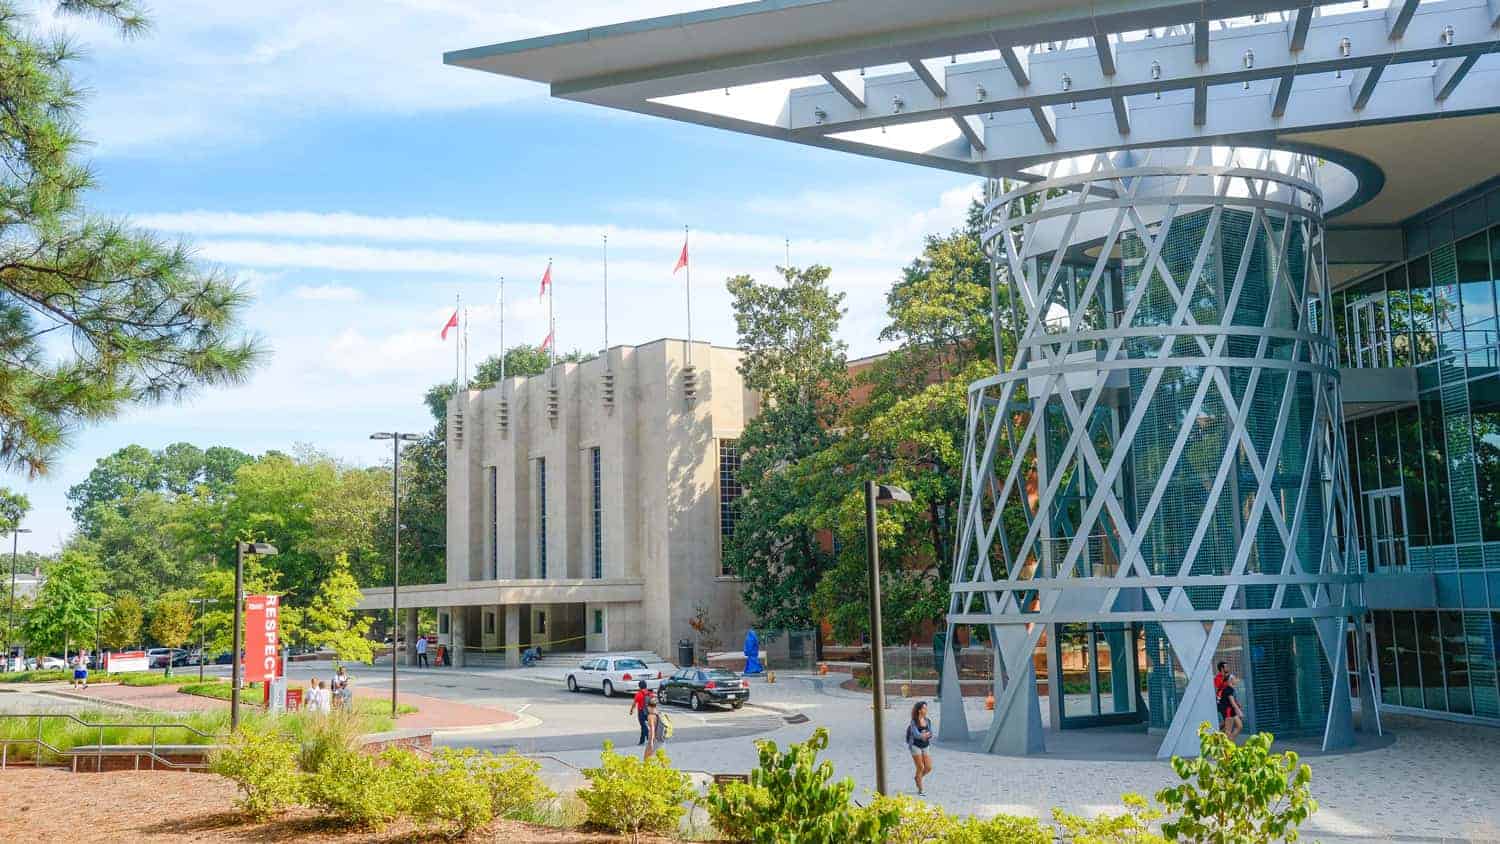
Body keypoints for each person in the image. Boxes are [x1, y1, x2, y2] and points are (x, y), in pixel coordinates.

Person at [906, 701, 934, 796]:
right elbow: (916, 735)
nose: (926, 710)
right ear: (919, 710)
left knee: (928, 767)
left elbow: (931, 733)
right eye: (924, 708)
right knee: (920, 767)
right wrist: (924, 735)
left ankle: (918, 778)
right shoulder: (914, 721)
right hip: (915, 745)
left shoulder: (928, 720)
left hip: (925, 745)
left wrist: (926, 735)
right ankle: (920, 789)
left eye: (926, 708)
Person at [1218, 673, 1244, 741]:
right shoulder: (1229, 689)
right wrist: (1239, 712)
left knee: (1239, 726)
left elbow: (1233, 701)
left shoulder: (1230, 689)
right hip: (1228, 711)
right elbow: (1232, 703)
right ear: (1231, 680)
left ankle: (1230, 740)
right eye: (1235, 678)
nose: (1236, 680)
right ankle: (1226, 745)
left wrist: (1238, 705)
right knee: (1228, 731)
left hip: (1230, 710)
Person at [643, 695, 667, 761]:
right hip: (662, 739)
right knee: (661, 759)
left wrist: (650, 743)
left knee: (646, 759)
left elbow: (652, 730)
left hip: (655, 740)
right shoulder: (659, 713)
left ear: (648, 706)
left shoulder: (651, 716)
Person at [629, 680, 651, 746]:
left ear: (639, 686)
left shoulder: (639, 694)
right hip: (649, 712)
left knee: (643, 726)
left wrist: (631, 710)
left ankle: (648, 736)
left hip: (641, 712)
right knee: (643, 726)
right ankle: (642, 741)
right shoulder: (650, 693)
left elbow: (634, 703)